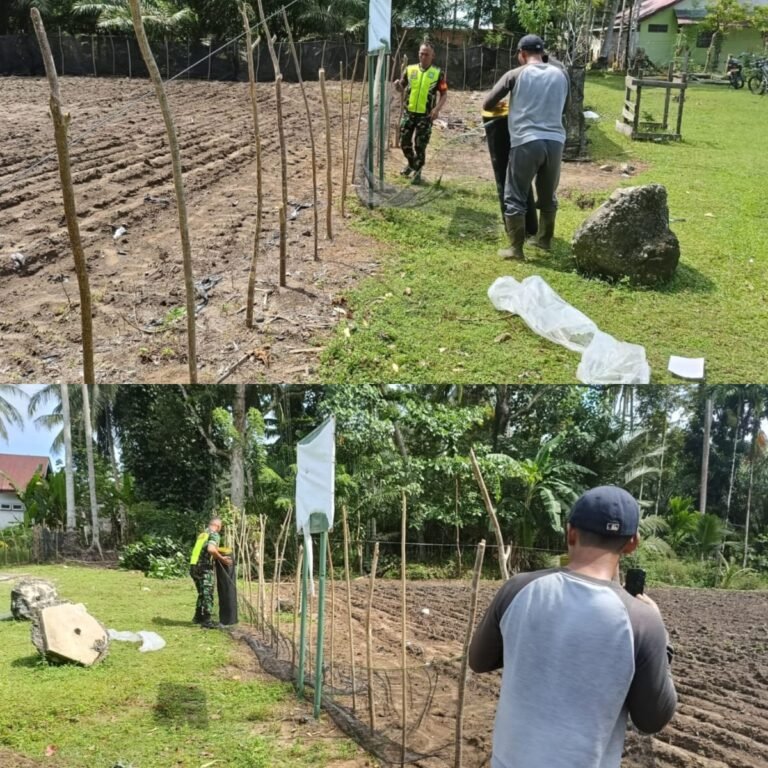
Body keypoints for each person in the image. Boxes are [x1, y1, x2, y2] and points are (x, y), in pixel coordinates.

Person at [469, 485, 677, 768]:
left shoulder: (518, 589)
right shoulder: (641, 619)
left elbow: (479, 661)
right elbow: (652, 719)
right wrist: (662, 640)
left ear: (571, 533)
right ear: (632, 543)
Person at [482, 34, 569, 259]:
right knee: (548, 195)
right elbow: (565, 108)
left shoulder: (515, 74)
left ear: (521, 54)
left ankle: (515, 249)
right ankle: (544, 241)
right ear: (542, 53)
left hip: (526, 141)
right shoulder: (561, 75)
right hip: (555, 142)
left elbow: (488, 103)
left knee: (515, 195)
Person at [394, 42, 448, 184]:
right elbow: (401, 88)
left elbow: (444, 94)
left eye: (426, 54)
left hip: (426, 116)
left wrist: (436, 110)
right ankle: (412, 164)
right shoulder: (410, 69)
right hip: (409, 113)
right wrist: (397, 85)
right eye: (421, 53)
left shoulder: (437, 73)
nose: (423, 57)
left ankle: (417, 172)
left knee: (420, 145)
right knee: (404, 142)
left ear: (433, 56)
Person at [189, 516, 232, 629]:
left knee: (202, 593)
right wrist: (222, 559)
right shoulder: (214, 534)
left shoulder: (202, 534)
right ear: (217, 526)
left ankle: (198, 617)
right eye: (220, 527)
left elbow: (204, 548)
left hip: (194, 566)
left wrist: (220, 550)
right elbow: (211, 549)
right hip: (204, 567)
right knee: (207, 593)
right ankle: (207, 620)